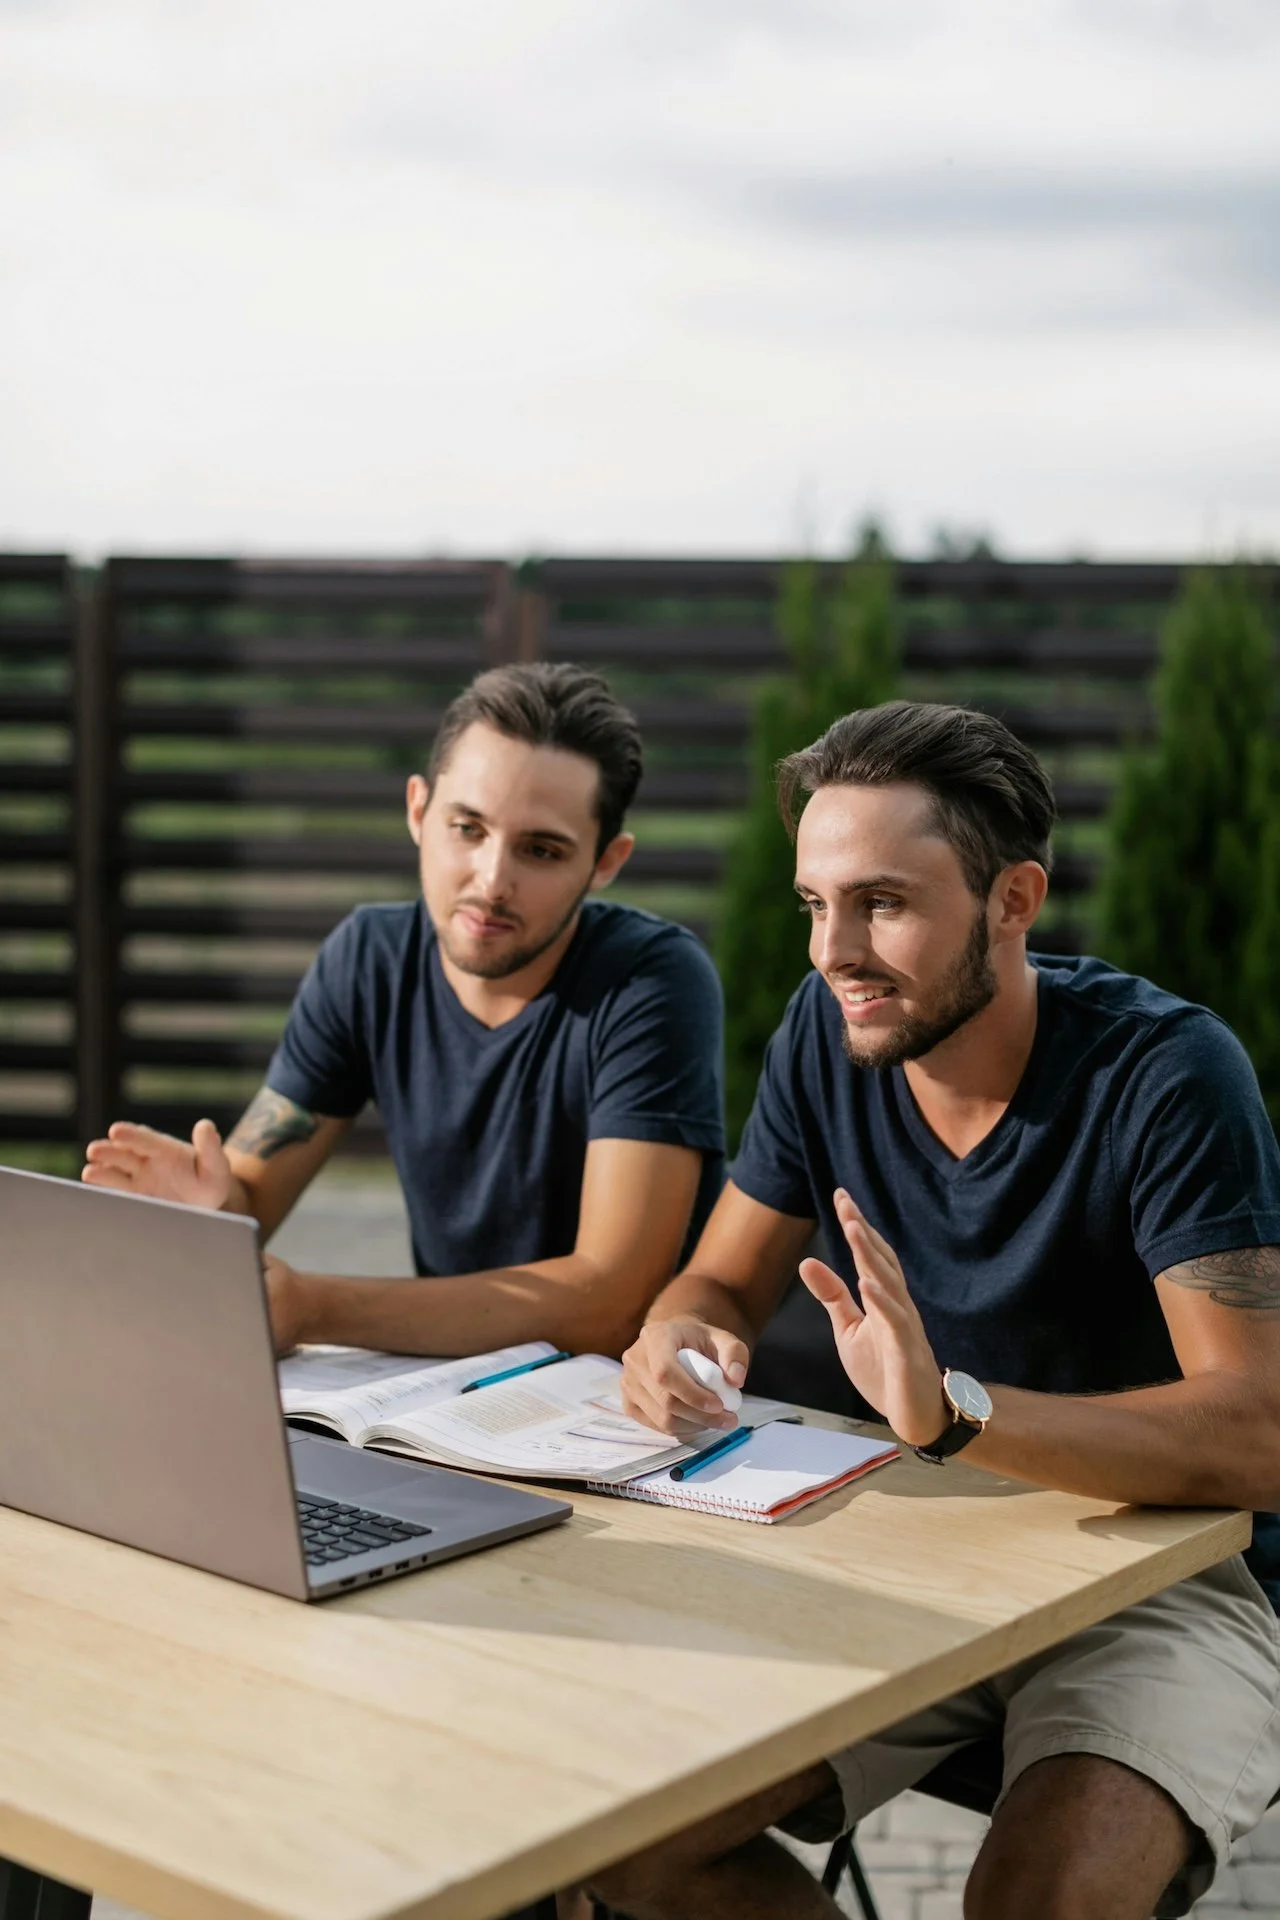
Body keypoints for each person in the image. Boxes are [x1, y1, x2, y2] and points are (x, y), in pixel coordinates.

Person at [600, 700, 1280, 1920]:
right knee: (624, 1838)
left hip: (1170, 1577)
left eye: (883, 903)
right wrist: (676, 1337)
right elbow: (714, 1282)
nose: (833, 950)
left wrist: (956, 1414)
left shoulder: (1167, 1075)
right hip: (919, 1554)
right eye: (817, 904)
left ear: (1012, 900)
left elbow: (1259, 1435)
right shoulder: (828, 1032)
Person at [82, 663, 725, 1359]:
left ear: (606, 862)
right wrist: (209, 1214)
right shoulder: (368, 959)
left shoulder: (650, 981)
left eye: (540, 850)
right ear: (419, 811)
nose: (492, 880)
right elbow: (245, 1204)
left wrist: (315, 1308)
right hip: (453, 1397)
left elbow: (611, 1302)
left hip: (641, 1417)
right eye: (468, 828)